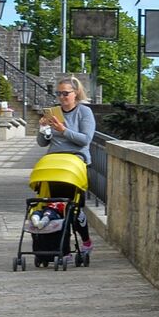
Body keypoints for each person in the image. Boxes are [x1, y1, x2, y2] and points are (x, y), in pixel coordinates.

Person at [36, 76, 95, 255]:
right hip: (55, 165)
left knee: (73, 207)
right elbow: (42, 143)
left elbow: (85, 139)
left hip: (74, 164)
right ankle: (63, 249)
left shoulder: (84, 112)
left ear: (75, 93)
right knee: (53, 206)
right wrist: (44, 129)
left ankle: (85, 241)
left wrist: (63, 130)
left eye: (65, 93)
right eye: (59, 93)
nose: (62, 97)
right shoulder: (54, 113)